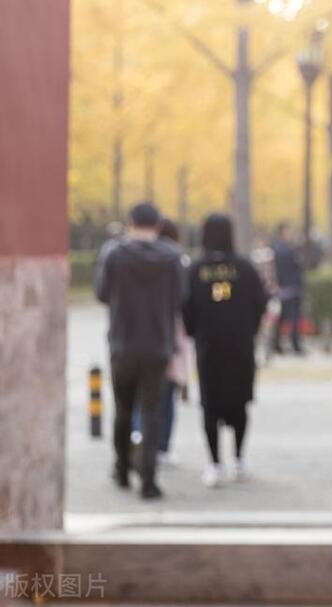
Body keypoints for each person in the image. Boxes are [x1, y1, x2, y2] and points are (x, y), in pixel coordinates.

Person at [94, 202, 184, 500]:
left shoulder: (114, 254)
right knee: (151, 411)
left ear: (130, 222)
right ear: (158, 225)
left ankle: (121, 468)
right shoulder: (173, 258)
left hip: (122, 343)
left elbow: (102, 293)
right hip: (158, 345)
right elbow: (181, 298)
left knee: (123, 410)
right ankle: (149, 480)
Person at [182, 213, 268, 488]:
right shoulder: (244, 267)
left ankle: (214, 464)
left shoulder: (195, 270)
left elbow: (185, 308)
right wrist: (249, 329)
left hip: (209, 348)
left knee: (210, 405)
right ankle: (239, 459)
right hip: (240, 346)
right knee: (239, 403)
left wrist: (196, 332)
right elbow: (260, 303)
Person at [131, 218, 191, 466]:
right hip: (169, 339)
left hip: (134, 338)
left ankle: (138, 435)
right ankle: (162, 447)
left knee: (139, 395)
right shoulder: (179, 263)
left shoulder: (131, 259)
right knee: (166, 397)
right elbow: (184, 302)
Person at [269, 222, 306, 355]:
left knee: (283, 318)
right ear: (282, 233)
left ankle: (278, 344)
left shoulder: (278, 249)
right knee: (292, 318)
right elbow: (296, 267)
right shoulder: (287, 250)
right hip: (289, 288)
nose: (290, 234)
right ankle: (293, 343)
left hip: (285, 288)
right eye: (288, 231)